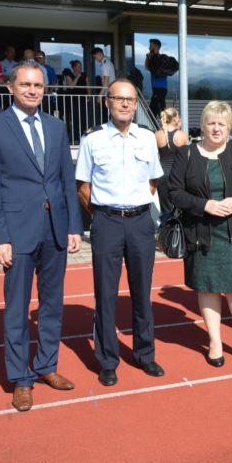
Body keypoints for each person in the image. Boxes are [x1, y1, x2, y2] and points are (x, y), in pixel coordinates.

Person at [0, 60, 83, 411]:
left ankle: (47, 365)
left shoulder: (56, 126)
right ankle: (21, 379)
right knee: (17, 310)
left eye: (38, 85)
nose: (33, 90)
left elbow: (66, 180)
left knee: (52, 305)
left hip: (55, 232)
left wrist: (73, 226)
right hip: (16, 234)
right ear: (10, 87)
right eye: (25, 85)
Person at [75, 79, 165, 386]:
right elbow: (83, 186)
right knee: (105, 294)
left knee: (142, 292)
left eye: (130, 99)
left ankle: (145, 354)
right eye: (119, 99)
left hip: (140, 222)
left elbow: (152, 181)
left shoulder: (147, 138)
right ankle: (107, 360)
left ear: (136, 104)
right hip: (107, 222)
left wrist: (133, 206)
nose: (125, 104)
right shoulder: (93, 139)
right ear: (108, 103)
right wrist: (104, 214)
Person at [169, 101, 232, 369]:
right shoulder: (186, 154)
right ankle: (215, 342)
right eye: (211, 123)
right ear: (202, 125)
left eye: (222, 124)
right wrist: (205, 205)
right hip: (201, 233)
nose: (216, 128)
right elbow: (174, 192)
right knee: (208, 288)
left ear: (229, 127)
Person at [155, 107, 189, 215]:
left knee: (165, 210)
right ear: (174, 119)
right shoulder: (182, 135)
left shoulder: (157, 134)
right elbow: (186, 158)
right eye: (178, 116)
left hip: (162, 174)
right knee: (180, 207)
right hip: (178, 174)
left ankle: (166, 225)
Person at [62, 59, 90, 143]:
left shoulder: (85, 75)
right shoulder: (69, 75)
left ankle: (84, 137)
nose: (80, 68)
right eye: (78, 67)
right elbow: (71, 86)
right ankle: (75, 137)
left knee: (83, 118)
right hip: (73, 100)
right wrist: (77, 77)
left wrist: (89, 96)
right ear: (74, 68)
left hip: (83, 99)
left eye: (81, 66)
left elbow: (88, 86)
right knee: (75, 118)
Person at [145, 38, 168, 119]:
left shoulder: (161, 59)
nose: (149, 47)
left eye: (151, 45)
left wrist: (151, 56)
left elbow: (149, 67)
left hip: (160, 89)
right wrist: (148, 57)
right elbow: (147, 67)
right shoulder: (152, 58)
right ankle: (158, 125)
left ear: (155, 46)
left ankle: (166, 126)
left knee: (159, 111)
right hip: (156, 89)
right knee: (153, 113)